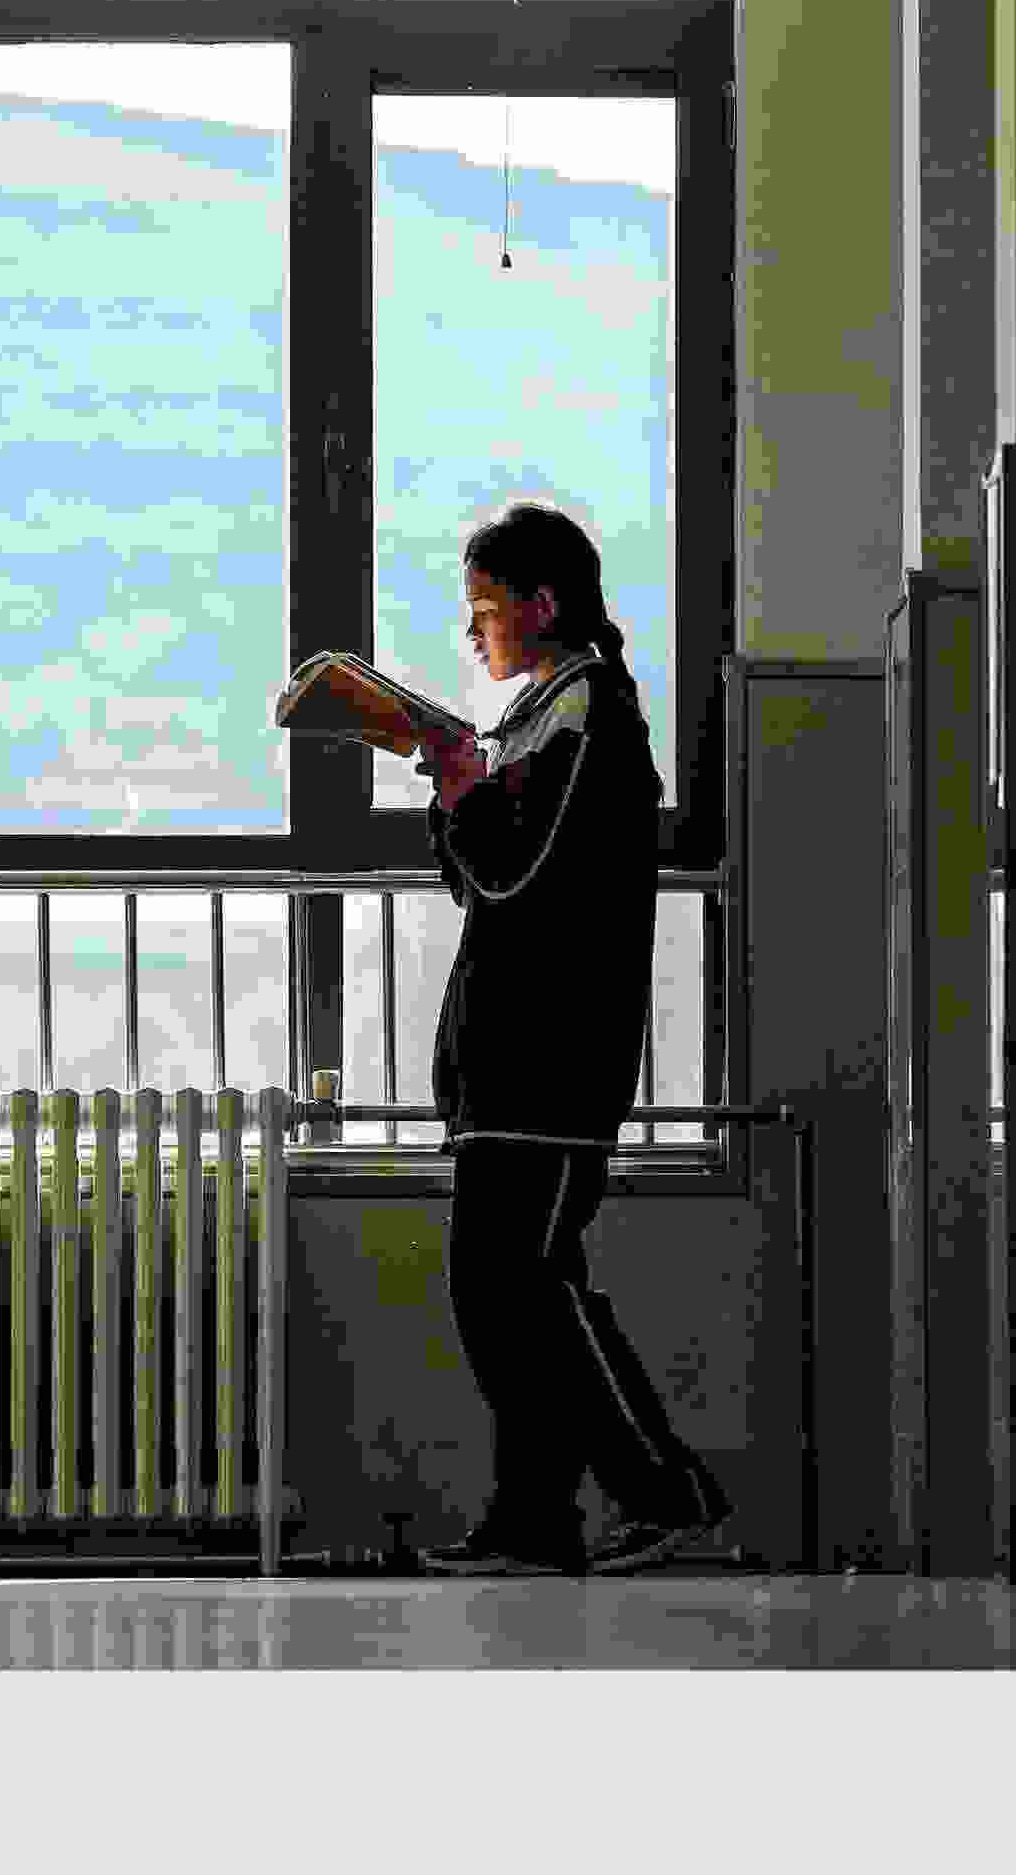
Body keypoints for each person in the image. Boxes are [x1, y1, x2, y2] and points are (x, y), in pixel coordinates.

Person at [411, 504, 734, 1576]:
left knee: (522, 1283)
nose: (473, 634)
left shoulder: (589, 713)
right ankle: (533, 1518)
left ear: (542, 604)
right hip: (506, 1063)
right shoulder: (542, 714)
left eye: (485, 609)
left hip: (548, 1062)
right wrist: (457, 787)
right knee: (504, 1290)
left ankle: (664, 1491)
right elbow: (481, 880)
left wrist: (464, 788)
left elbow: (516, 875)